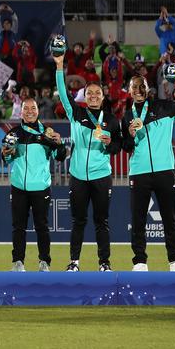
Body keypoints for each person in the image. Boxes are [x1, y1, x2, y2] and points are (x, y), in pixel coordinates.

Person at [55, 46, 124, 272]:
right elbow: (63, 94)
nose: (93, 96)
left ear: (103, 97)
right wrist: (58, 66)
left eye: (97, 93)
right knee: (78, 221)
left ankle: (104, 263)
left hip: (101, 176)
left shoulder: (112, 121)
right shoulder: (77, 114)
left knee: (101, 222)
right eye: (90, 93)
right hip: (77, 176)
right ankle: (74, 262)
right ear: (85, 96)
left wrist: (108, 143)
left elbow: (117, 147)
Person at [121, 70, 175, 271]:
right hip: (139, 172)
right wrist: (131, 135)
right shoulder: (127, 116)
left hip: (164, 170)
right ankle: (140, 261)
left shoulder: (164, 107)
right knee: (138, 219)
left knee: (170, 217)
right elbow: (125, 147)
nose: (138, 90)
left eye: (141, 85)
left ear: (148, 88)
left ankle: (174, 260)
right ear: (129, 91)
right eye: (134, 87)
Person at [1, 99, 67, 272]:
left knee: (42, 227)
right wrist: (6, 154)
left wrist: (59, 144)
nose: (29, 111)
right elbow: (7, 158)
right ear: (21, 112)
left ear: (38, 111)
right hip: (19, 187)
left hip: (40, 187)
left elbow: (59, 156)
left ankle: (44, 262)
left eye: (33, 108)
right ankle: (18, 262)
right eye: (26, 108)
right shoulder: (13, 134)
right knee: (18, 227)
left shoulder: (47, 133)